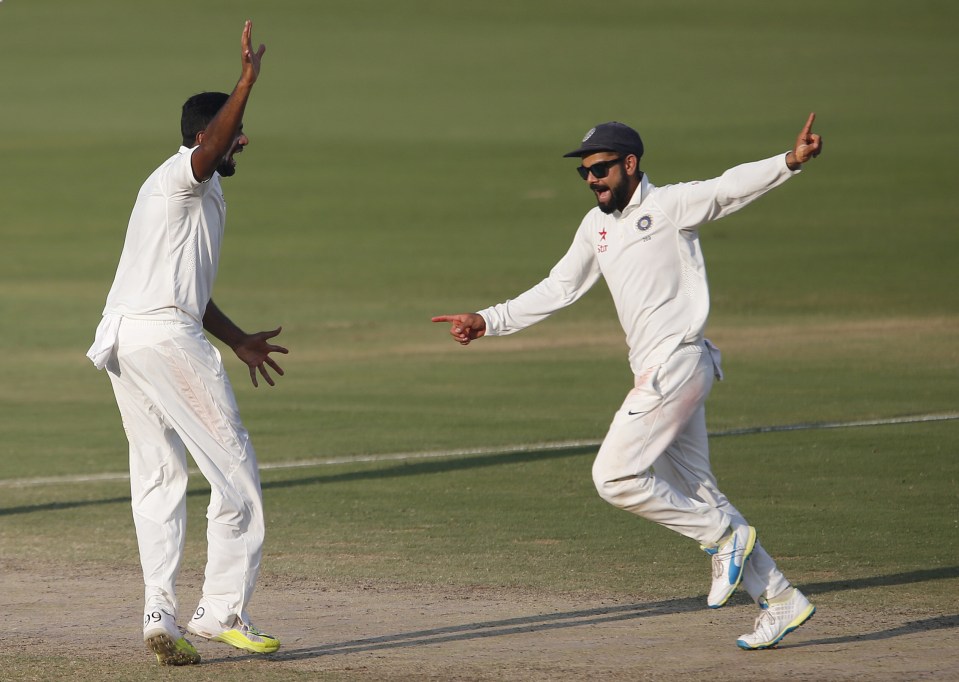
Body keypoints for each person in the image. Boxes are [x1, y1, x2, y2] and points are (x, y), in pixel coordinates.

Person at [433, 114, 823, 649]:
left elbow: (726, 190)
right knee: (700, 492)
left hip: (678, 362)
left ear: (630, 165)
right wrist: (488, 318)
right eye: (586, 172)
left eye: (601, 169)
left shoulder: (666, 206)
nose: (593, 179)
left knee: (614, 478)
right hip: (658, 370)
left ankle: (722, 538)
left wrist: (789, 162)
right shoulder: (595, 228)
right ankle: (779, 598)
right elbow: (559, 287)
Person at [86, 20, 285, 666]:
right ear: (205, 136)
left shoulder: (198, 193)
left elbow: (189, 291)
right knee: (237, 479)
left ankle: (157, 611)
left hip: (127, 339)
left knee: (159, 477)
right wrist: (246, 81)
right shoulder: (183, 176)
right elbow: (213, 144)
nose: (242, 140)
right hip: (162, 340)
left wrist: (236, 340)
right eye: (232, 130)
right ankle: (220, 610)